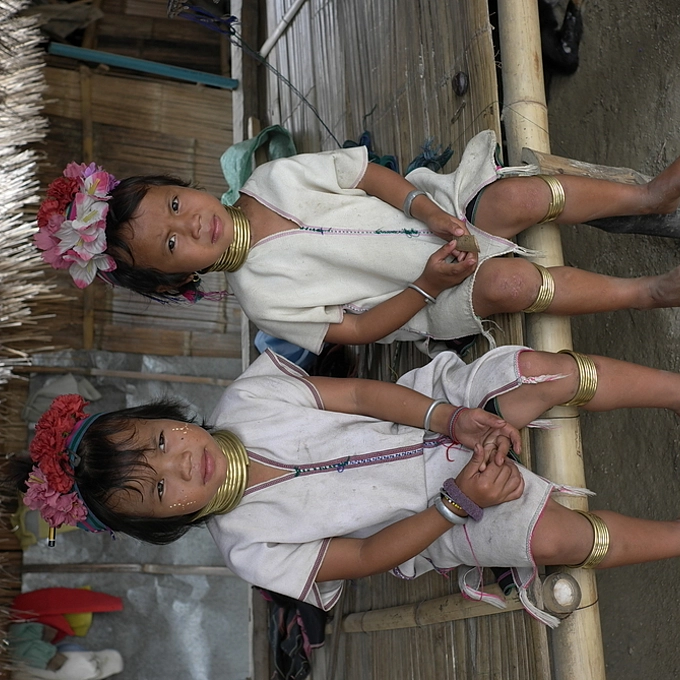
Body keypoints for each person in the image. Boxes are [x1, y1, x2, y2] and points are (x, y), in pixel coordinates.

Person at [14, 346, 680, 626]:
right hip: (442, 517)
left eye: (161, 442)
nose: (181, 466)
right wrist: (458, 504)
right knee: (557, 539)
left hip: (429, 413)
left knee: (537, 373)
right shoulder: (249, 549)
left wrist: (450, 417)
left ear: (167, 415)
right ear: (165, 525)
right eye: (159, 492)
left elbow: (361, 394)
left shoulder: (249, 398)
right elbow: (364, 556)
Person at [35, 130, 680, 355]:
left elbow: (364, 174)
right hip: (430, 295)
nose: (191, 225)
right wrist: (428, 284)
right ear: (177, 279)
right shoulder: (262, 299)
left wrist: (426, 208)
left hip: (442, 212)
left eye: (176, 206)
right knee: (510, 283)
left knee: (511, 200)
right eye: (173, 245)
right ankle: (648, 292)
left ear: (181, 186)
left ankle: (649, 197)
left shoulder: (271, 179)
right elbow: (361, 330)